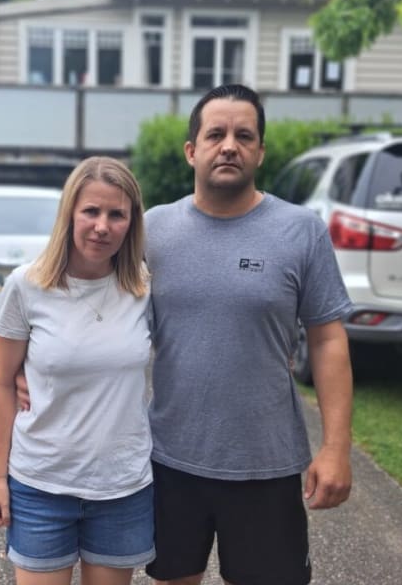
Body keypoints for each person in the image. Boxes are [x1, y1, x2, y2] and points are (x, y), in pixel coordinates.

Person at [143, 83, 354, 585]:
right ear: (192, 150)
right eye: (215, 134)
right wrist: (33, 372)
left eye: (244, 135)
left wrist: (336, 448)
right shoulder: (152, 231)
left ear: (260, 149)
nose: (229, 145)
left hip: (267, 465)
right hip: (170, 460)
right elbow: (102, 318)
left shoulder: (301, 230)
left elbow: (328, 341)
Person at [0, 156, 155, 585]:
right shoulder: (26, 286)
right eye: (91, 211)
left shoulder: (145, 287)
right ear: (70, 215)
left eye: (116, 214)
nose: (102, 226)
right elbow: (4, 384)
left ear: (131, 222)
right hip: (41, 485)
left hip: (122, 488)